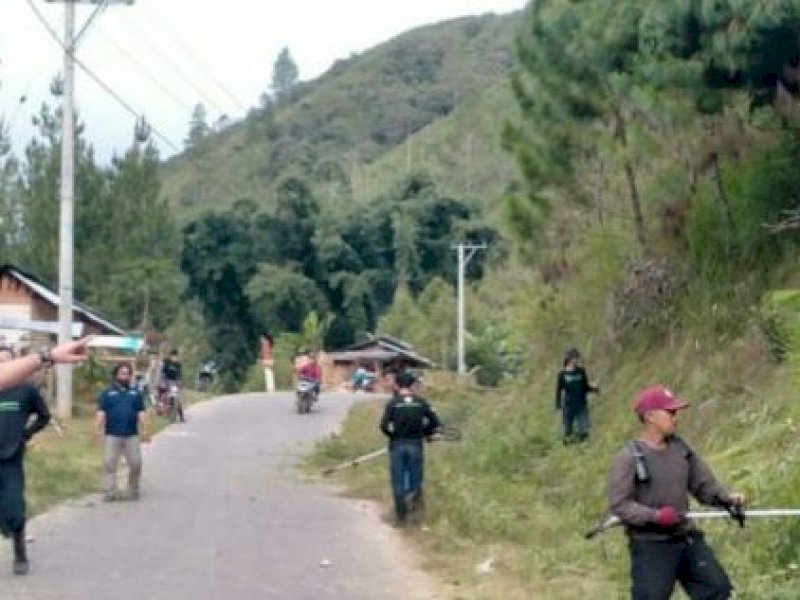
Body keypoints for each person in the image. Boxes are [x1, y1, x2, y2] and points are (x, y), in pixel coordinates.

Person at [607, 386, 745, 600]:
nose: (676, 418)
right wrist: (656, 516)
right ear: (650, 416)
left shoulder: (681, 450)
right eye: (670, 413)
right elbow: (620, 505)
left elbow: (703, 486)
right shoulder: (629, 457)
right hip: (651, 545)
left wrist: (726, 498)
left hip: (686, 538)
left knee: (718, 590)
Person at [0, 346, 50, 575]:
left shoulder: (25, 390)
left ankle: (20, 551)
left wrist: (26, 434)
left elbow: (44, 416)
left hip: (10, 457)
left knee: (15, 510)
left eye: (8, 362)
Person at [379, 371, 441, 525]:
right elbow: (435, 422)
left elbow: (383, 426)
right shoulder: (421, 402)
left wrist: (393, 436)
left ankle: (401, 518)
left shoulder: (393, 403)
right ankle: (416, 515)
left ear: (397, 385)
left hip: (397, 446)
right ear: (413, 385)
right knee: (415, 479)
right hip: (415, 445)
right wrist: (426, 433)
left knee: (398, 481)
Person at [96, 362, 149, 502]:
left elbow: (141, 412)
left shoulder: (135, 394)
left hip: (131, 434)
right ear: (116, 375)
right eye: (122, 373)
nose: (125, 376)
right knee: (109, 463)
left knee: (136, 462)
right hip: (112, 434)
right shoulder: (107, 393)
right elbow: (101, 412)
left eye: (127, 374)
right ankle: (109, 491)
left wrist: (146, 429)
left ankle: (133, 489)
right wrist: (97, 429)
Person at [555, 347, 599, 444]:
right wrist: (558, 406)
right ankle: (567, 450)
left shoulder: (581, 371)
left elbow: (585, 387)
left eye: (577, 358)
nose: (577, 360)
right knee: (567, 431)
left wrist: (594, 389)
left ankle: (583, 447)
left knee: (584, 430)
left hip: (581, 405)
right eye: (575, 358)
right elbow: (558, 391)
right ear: (569, 359)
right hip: (568, 406)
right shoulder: (562, 374)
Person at [160, 350, 184, 422]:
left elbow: (179, 375)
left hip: (174, 382)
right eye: (173, 356)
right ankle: (165, 413)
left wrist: (179, 382)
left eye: (176, 357)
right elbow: (163, 372)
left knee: (176, 399)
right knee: (165, 397)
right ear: (171, 356)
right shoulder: (166, 362)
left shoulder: (178, 364)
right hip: (167, 381)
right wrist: (163, 381)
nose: (174, 358)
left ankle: (181, 416)